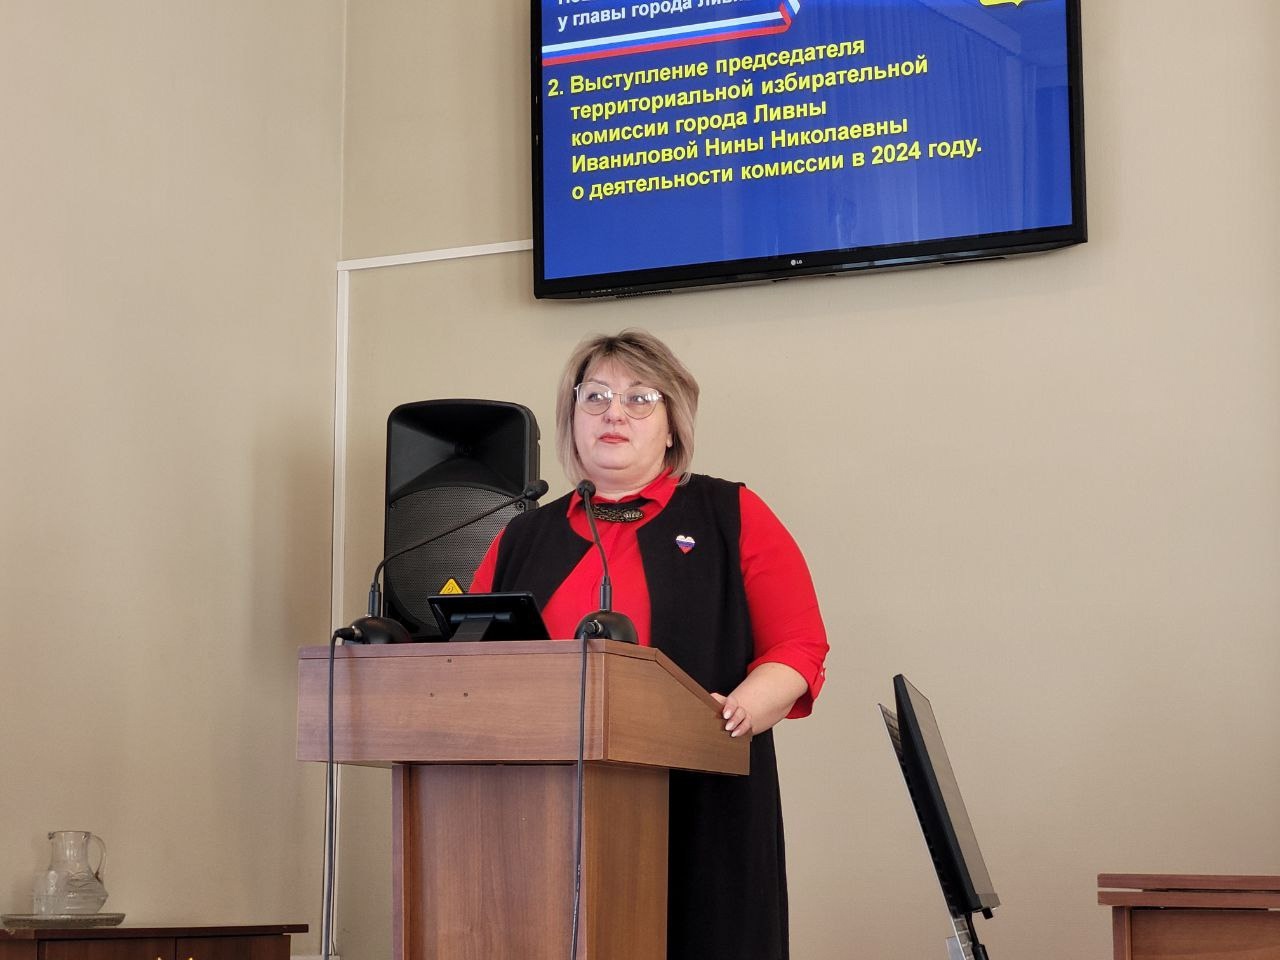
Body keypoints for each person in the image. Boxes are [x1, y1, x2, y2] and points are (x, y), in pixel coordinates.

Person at [470, 329, 828, 960]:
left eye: (639, 399)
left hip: (701, 804)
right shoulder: (523, 535)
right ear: (572, 418)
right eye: (595, 396)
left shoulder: (730, 513)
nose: (614, 413)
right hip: (536, 819)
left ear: (671, 427)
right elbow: (471, 662)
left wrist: (738, 710)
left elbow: (798, 646)